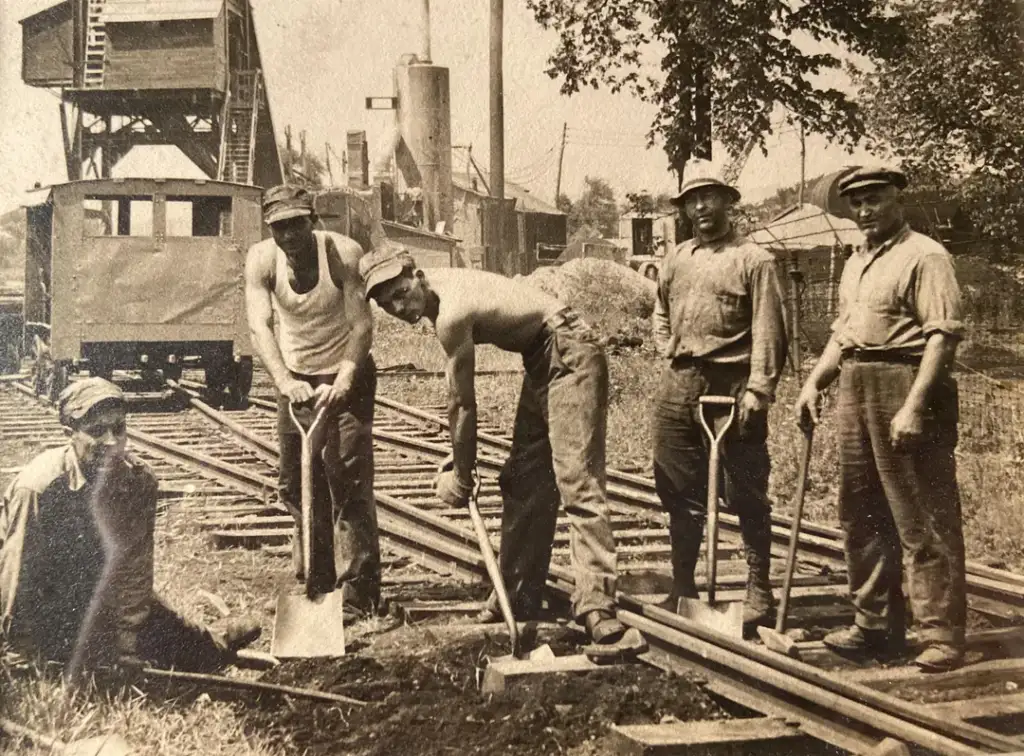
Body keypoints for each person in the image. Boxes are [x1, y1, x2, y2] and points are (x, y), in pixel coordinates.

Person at [359, 247, 644, 653]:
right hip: (543, 356)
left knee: (577, 481)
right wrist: (462, 458)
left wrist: (460, 476)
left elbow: (462, 404)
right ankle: (519, 593)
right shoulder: (439, 293)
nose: (399, 307)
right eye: (387, 304)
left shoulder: (452, 313)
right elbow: (458, 405)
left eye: (401, 293)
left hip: (570, 348)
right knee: (523, 478)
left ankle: (599, 609)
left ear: (416, 275)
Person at [795, 166, 967, 672]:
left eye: (875, 200)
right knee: (860, 509)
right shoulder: (856, 262)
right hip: (856, 382)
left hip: (907, 380)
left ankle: (940, 633)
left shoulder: (926, 256)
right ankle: (875, 624)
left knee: (920, 514)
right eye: (857, 203)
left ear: (898, 200)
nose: (866, 211)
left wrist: (914, 405)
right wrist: (814, 382)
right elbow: (844, 335)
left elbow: (942, 337)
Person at [0, 378, 261, 683]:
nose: (111, 441)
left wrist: (127, 643)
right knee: (53, 661)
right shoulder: (39, 487)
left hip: (96, 590)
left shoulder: (138, 481)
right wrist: (19, 654)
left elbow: (134, 568)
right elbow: (16, 574)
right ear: (69, 435)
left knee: (186, 646)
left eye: (119, 429)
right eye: (97, 431)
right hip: (39, 594)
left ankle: (215, 644)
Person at [652, 177, 788, 629]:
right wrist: (666, 349)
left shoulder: (754, 260)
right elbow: (659, 310)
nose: (701, 207)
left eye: (710, 197)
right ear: (686, 209)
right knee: (677, 486)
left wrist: (759, 389)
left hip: (732, 383)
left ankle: (758, 592)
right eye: (692, 200)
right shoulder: (677, 260)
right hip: (680, 382)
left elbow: (770, 329)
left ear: (729, 201)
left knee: (746, 490)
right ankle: (683, 587)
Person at [244, 184, 380, 616]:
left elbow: (361, 327)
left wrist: (343, 378)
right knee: (295, 480)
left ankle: (360, 591)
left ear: (313, 222)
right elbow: (260, 327)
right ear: (271, 229)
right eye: (280, 228)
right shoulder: (261, 261)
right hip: (297, 377)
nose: (290, 237)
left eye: (297, 225)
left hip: (346, 371)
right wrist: (285, 381)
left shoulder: (343, 254)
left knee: (347, 474)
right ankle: (318, 586)